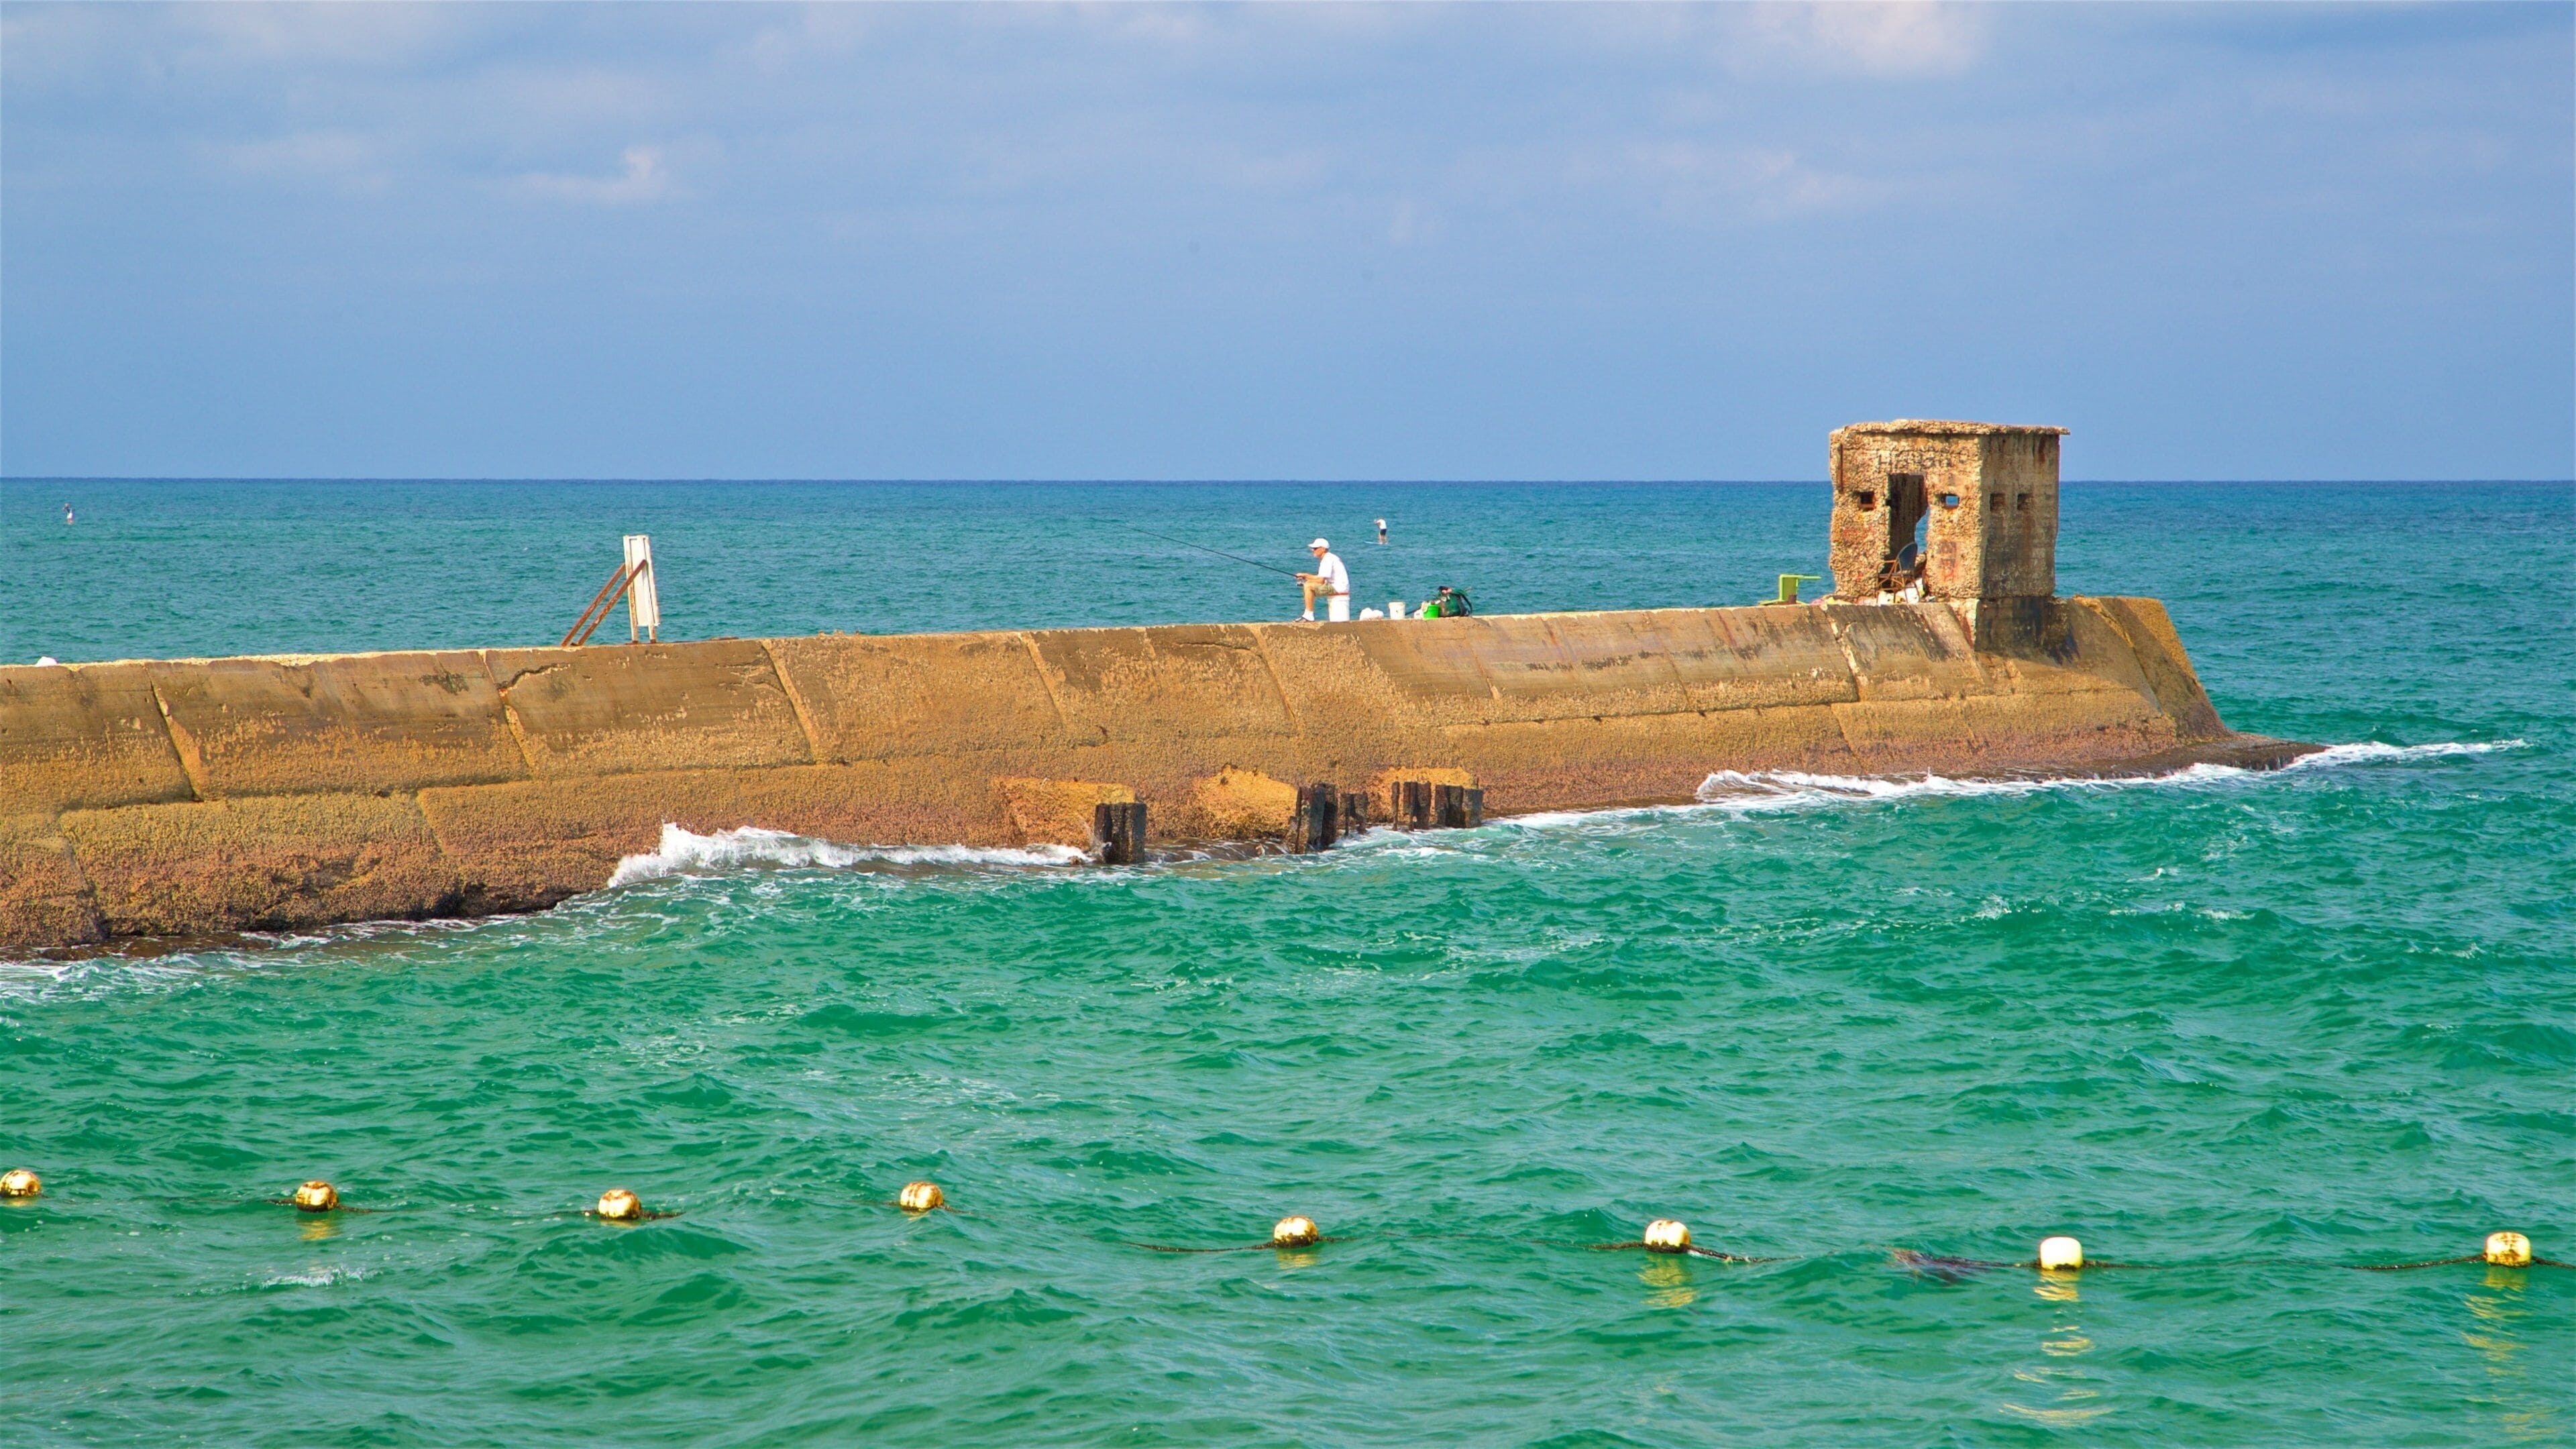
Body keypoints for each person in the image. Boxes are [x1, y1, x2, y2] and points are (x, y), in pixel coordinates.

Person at [1299, 538, 1350, 621]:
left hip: (1337, 588)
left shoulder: (1327, 559)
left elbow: (1321, 580)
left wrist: (1306, 576)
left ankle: (1309, 615)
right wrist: (1306, 577)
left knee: (1308, 586)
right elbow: (1321, 578)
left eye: (1315, 548)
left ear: (1323, 549)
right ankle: (1308, 615)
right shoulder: (1330, 557)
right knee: (1308, 583)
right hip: (1338, 587)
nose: (1313, 550)